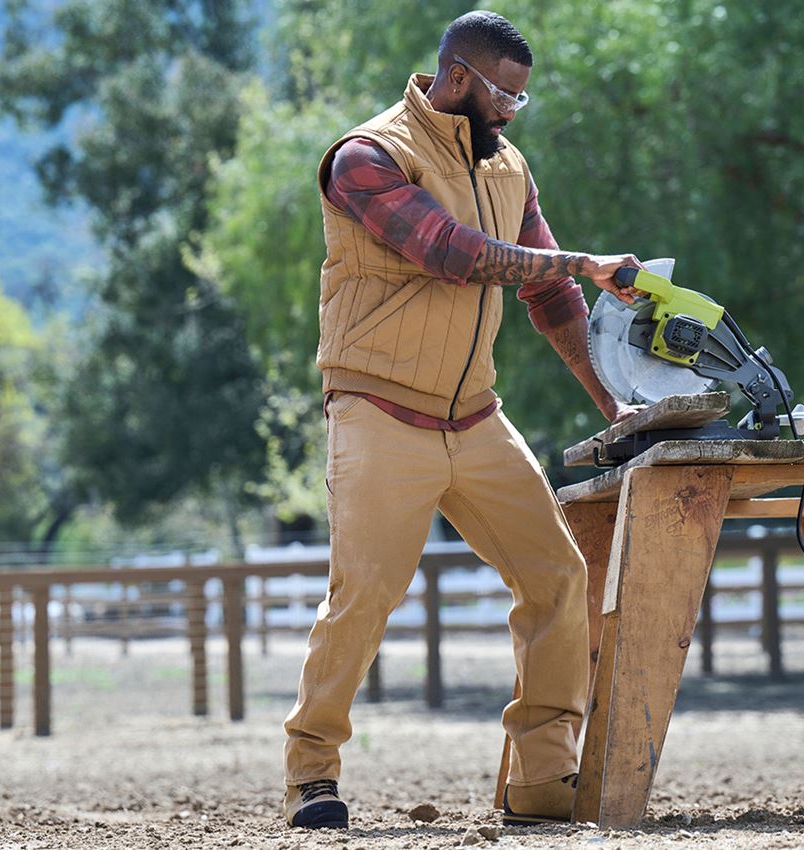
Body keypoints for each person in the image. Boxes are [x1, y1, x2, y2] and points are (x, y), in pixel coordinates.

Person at [283, 10, 643, 830]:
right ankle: (313, 775)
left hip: (476, 418)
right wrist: (582, 258)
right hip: (377, 412)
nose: (514, 110)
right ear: (455, 80)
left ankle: (542, 782)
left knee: (557, 577)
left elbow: (549, 295)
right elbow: (451, 252)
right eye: (504, 94)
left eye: (522, 97)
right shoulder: (366, 158)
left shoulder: (509, 166)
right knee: (365, 593)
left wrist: (612, 403)